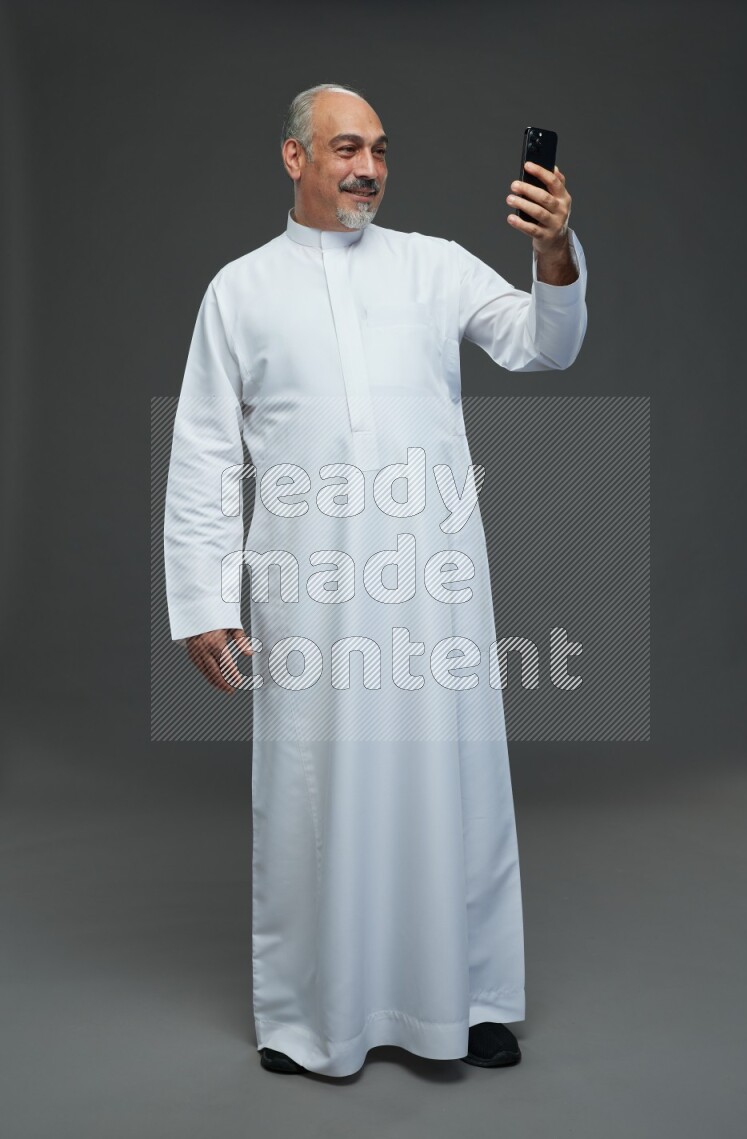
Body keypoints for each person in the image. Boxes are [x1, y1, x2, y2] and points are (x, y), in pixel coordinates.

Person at [163, 82, 588, 1078]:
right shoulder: (240, 290)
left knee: (455, 782)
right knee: (316, 797)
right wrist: (202, 605)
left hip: (431, 585)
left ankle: (473, 997)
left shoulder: (432, 267)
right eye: (346, 147)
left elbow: (545, 344)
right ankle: (314, 1012)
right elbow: (202, 460)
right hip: (304, 592)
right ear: (293, 158)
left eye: (380, 150)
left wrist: (552, 251)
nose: (367, 168)